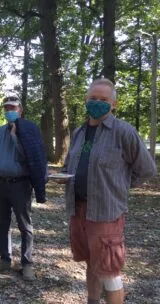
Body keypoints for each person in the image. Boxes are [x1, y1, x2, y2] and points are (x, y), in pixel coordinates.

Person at [59, 78, 156, 304]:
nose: (97, 103)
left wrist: (121, 186)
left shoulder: (123, 132)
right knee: (92, 263)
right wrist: (62, 176)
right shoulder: (80, 132)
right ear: (85, 100)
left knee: (109, 271)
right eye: (93, 98)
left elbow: (147, 169)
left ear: (114, 104)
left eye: (103, 100)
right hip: (79, 209)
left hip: (106, 213)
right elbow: (71, 165)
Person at [0, 96, 47, 281]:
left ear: (20, 110)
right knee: (2, 224)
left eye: (12, 107)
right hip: (0, 184)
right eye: (6, 108)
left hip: (20, 184)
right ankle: (5, 259)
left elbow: (32, 157)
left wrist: (15, 136)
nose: (9, 111)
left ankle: (27, 263)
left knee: (24, 225)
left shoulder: (28, 131)